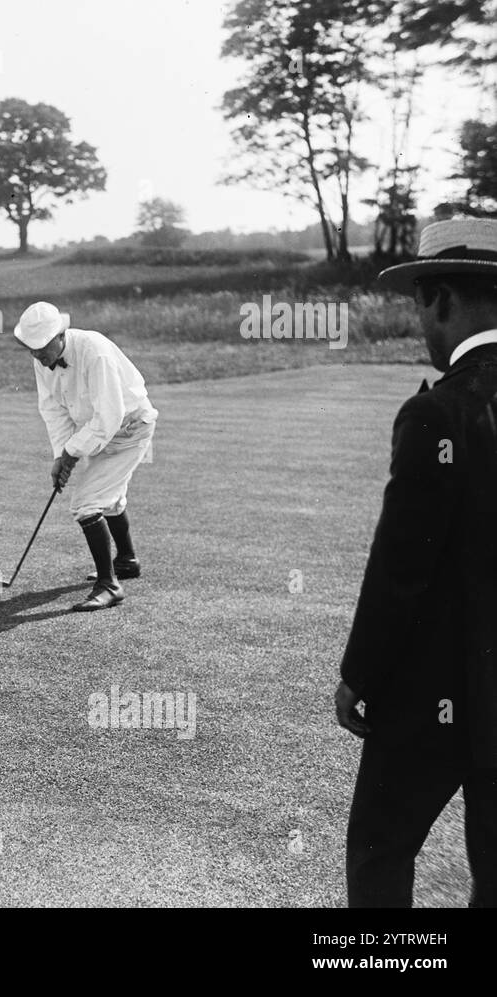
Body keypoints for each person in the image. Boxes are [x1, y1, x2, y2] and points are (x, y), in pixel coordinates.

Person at [337, 216, 497, 907]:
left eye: (420, 308)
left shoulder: (437, 414)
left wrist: (358, 674)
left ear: (444, 301)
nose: (423, 328)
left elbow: (401, 569)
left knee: (381, 845)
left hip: (436, 686)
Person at [13, 302, 157, 612]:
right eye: (31, 349)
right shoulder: (42, 359)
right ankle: (127, 561)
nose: (37, 355)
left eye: (41, 348)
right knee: (110, 498)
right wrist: (60, 456)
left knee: (86, 503)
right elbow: (53, 409)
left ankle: (109, 585)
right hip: (100, 429)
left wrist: (72, 452)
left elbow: (109, 416)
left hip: (130, 428)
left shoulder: (95, 350)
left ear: (61, 334)